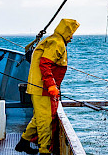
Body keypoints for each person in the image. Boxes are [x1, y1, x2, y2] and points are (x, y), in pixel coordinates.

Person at [15, 19, 80, 154]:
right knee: (45, 121)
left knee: (39, 117)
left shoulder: (53, 39)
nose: (72, 37)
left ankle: (23, 142)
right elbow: (45, 64)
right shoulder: (57, 43)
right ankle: (44, 151)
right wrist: (51, 86)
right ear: (66, 31)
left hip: (39, 88)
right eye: (71, 33)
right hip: (43, 89)